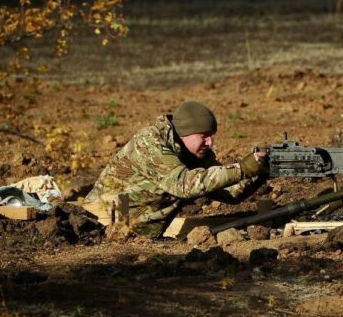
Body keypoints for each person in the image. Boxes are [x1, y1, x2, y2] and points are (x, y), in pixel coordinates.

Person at [84, 101, 267, 236]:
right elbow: (183, 185)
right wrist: (243, 168)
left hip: (135, 234)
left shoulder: (194, 153)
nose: (210, 142)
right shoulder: (149, 142)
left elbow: (230, 193)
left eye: (211, 136)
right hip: (97, 226)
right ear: (185, 133)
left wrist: (261, 170)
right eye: (204, 136)